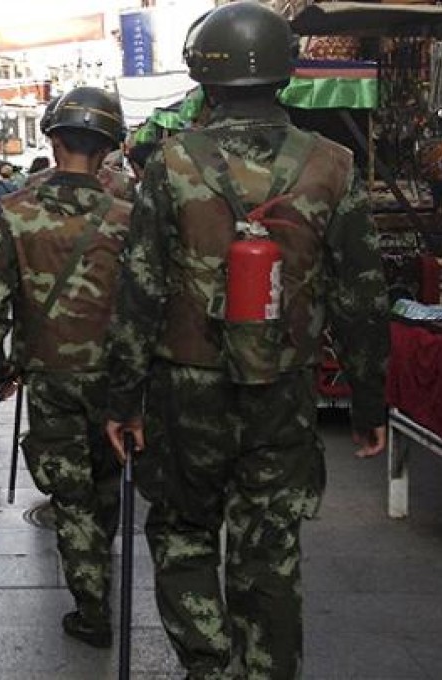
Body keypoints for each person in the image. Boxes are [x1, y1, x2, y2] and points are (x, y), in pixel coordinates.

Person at [104, 3, 390, 677]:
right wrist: (370, 404)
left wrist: (123, 400)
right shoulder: (333, 165)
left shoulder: (170, 165)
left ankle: (208, 663)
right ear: (286, 72)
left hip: (185, 388)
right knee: (270, 544)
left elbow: (138, 291)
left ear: (203, 74)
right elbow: (362, 297)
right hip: (282, 391)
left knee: (181, 530)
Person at [0, 87, 132, 649]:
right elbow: (146, 302)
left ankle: (92, 607)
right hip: (114, 376)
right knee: (108, 479)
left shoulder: (15, 213)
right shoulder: (126, 217)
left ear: (54, 139)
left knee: (71, 496)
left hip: (49, 377)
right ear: (109, 148)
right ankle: (99, 562)